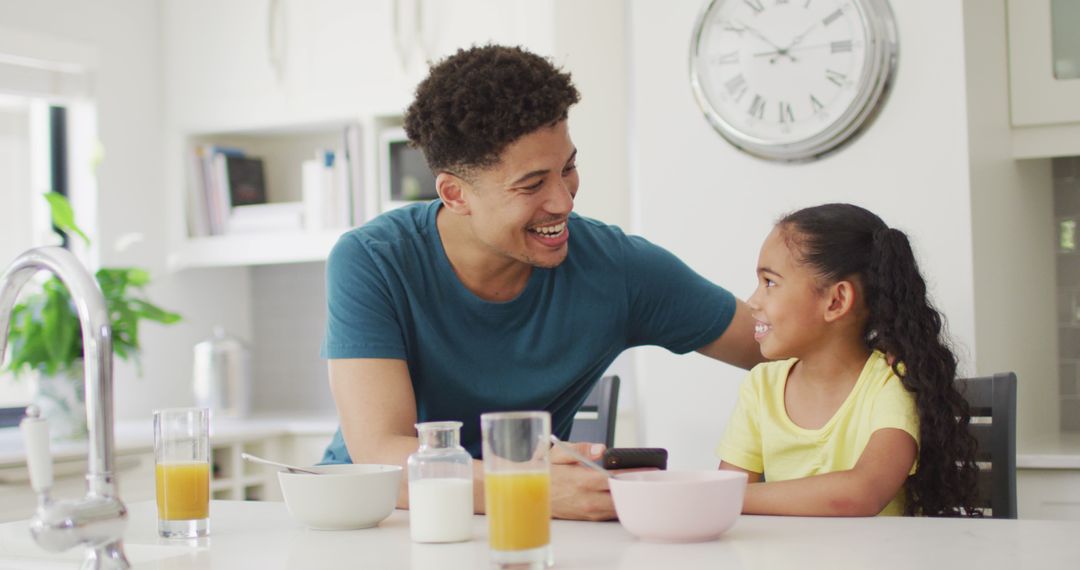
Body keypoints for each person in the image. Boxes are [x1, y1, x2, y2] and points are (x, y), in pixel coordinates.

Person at [319, 45, 764, 521]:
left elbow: (779, 347)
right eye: (531, 185)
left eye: (568, 168)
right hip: (376, 522)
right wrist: (528, 487)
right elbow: (379, 452)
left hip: (527, 528)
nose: (564, 201)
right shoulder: (374, 260)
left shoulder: (618, 270)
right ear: (455, 193)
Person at [718, 203, 981, 516]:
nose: (752, 302)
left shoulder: (891, 382)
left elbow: (863, 492)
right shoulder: (761, 386)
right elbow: (724, 494)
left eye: (770, 283)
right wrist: (721, 497)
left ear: (836, 300)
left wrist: (727, 497)